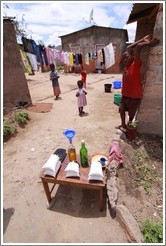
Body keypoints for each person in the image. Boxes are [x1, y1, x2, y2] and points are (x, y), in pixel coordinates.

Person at [117, 34, 160, 133]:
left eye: (126, 57)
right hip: (125, 94)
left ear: (132, 56)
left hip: (134, 96)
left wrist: (149, 43)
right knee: (121, 110)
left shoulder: (136, 64)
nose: (124, 59)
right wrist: (142, 39)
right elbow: (129, 47)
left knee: (131, 115)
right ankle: (123, 124)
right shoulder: (125, 66)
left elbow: (138, 48)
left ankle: (129, 127)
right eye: (124, 58)